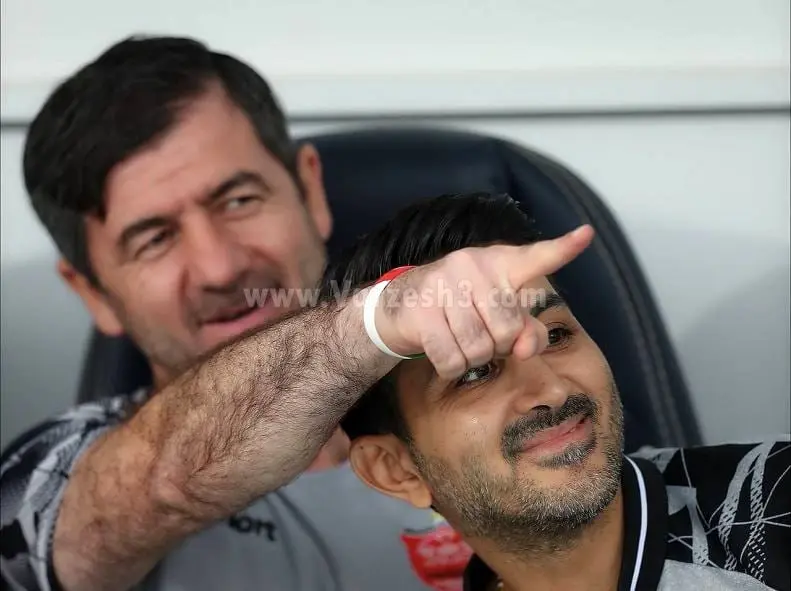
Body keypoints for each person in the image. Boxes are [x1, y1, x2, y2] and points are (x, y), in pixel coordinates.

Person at [0, 36, 595, 591]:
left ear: (310, 190)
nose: (219, 268)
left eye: (239, 200)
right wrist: (375, 318)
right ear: (93, 293)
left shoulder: (510, 403)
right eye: (154, 239)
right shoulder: (59, 477)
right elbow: (149, 489)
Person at [322, 192, 791, 591]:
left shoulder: (774, 503)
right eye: (475, 372)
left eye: (555, 334)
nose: (550, 388)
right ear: (396, 470)